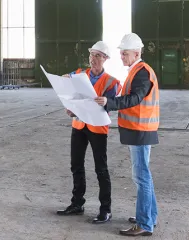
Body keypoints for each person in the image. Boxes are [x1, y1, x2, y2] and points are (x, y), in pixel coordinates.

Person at [94, 33, 160, 237]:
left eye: (125, 54)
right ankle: (150, 216)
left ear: (137, 53)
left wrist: (109, 103)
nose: (121, 57)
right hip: (138, 130)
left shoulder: (141, 72)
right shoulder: (135, 70)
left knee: (141, 177)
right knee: (144, 176)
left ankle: (144, 223)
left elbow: (135, 99)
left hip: (141, 131)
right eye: (121, 53)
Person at [56, 41, 121, 225]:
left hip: (97, 128)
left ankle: (105, 210)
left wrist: (105, 101)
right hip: (79, 125)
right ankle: (77, 204)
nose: (94, 59)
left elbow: (113, 103)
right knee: (76, 165)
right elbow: (64, 85)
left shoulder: (111, 82)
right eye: (92, 54)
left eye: (98, 55)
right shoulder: (78, 74)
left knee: (101, 169)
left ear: (105, 59)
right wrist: (70, 107)